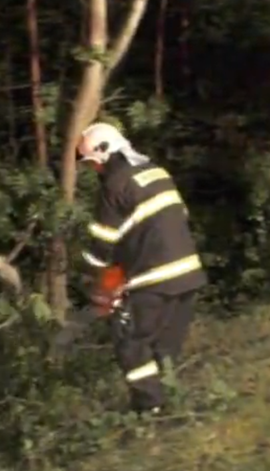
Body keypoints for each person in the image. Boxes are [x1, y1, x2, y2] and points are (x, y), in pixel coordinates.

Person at [78, 122, 207, 414]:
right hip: (189, 273)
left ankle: (150, 409)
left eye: (93, 164)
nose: (94, 171)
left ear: (105, 153)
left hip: (155, 277)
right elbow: (171, 219)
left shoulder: (115, 185)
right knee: (164, 347)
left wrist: (92, 280)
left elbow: (102, 245)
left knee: (130, 343)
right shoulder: (158, 173)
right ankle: (174, 403)